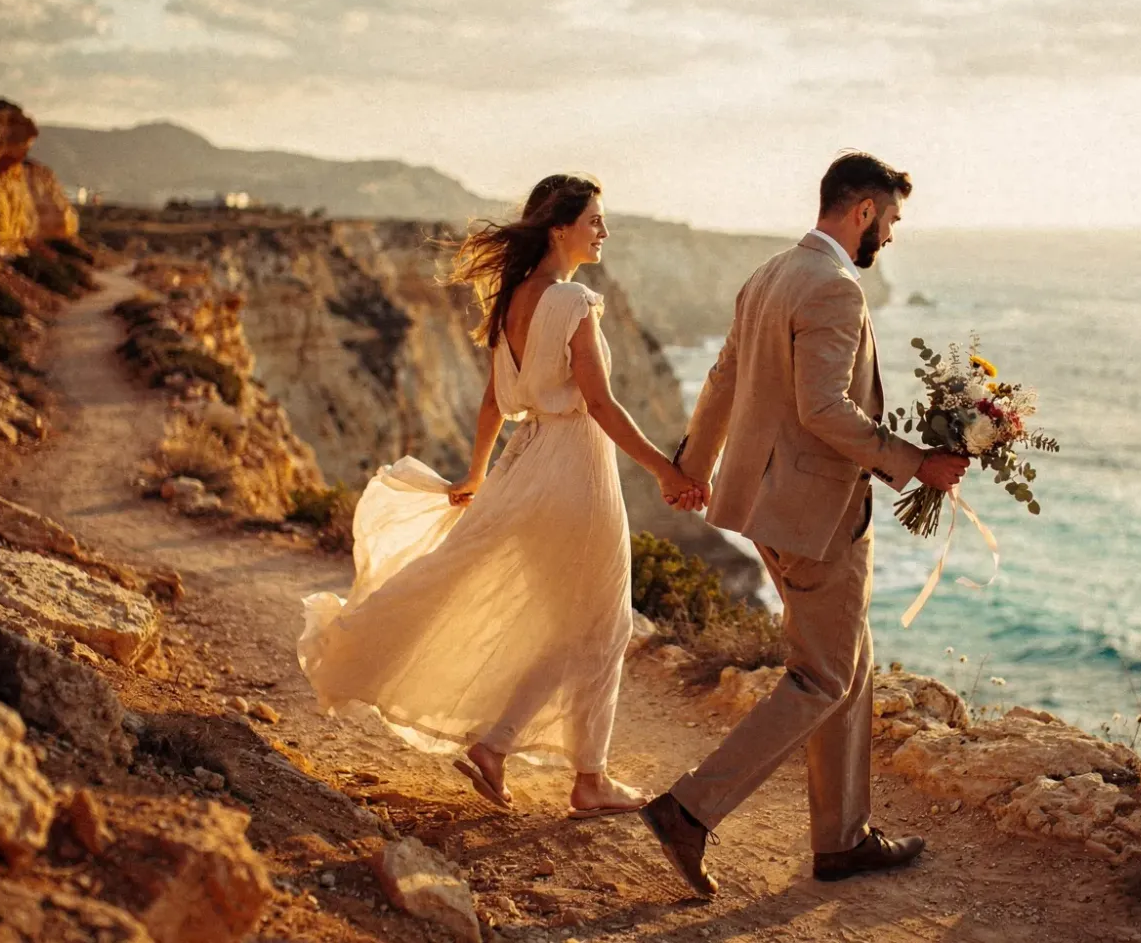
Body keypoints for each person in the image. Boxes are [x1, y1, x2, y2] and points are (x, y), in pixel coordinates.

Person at [299, 173, 707, 819]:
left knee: (575, 626)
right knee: (603, 623)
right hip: (574, 470)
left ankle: (499, 746)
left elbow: (495, 398)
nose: (604, 230)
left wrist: (477, 472)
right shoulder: (572, 300)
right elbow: (598, 402)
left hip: (527, 465)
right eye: (594, 219)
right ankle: (586, 778)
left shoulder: (513, 297)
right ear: (559, 227)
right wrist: (665, 469)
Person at [638, 152, 969, 896]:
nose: (890, 235)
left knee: (848, 658)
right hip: (816, 514)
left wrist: (693, 465)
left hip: (765, 505)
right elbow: (825, 410)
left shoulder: (769, 275)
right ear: (862, 211)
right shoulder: (834, 289)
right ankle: (690, 809)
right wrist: (918, 462)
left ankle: (841, 837)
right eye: (890, 220)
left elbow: (724, 377)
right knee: (823, 673)